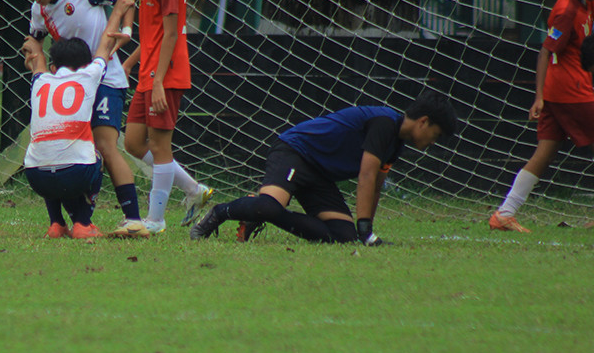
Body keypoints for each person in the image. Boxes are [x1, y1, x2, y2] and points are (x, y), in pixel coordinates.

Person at [189, 90, 460, 244]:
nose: (432, 142)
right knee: (270, 206)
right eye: (435, 135)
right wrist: (366, 231)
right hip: (295, 153)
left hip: (318, 175)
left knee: (344, 236)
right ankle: (219, 212)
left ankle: (255, 210)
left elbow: (376, 186)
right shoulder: (384, 124)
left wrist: (365, 231)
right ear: (423, 121)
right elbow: (366, 175)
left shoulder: (396, 145)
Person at [8, 0, 149, 238]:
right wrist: (31, 56)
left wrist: (126, 29)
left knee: (104, 145)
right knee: (62, 144)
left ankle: (133, 219)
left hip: (105, 78)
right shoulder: (38, 10)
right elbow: (35, 40)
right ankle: (74, 221)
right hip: (71, 83)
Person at [121, 0, 212, 234]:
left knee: (160, 147)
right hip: (148, 74)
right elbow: (151, 34)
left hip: (166, 75)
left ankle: (156, 220)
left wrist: (158, 81)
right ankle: (194, 190)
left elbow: (172, 34)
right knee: (133, 142)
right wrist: (129, 64)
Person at [489, 0, 594, 233]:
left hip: (560, 92)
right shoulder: (566, 12)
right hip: (571, 91)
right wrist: (538, 96)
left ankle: (504, 213)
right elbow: (546, 51)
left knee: (545, 152)